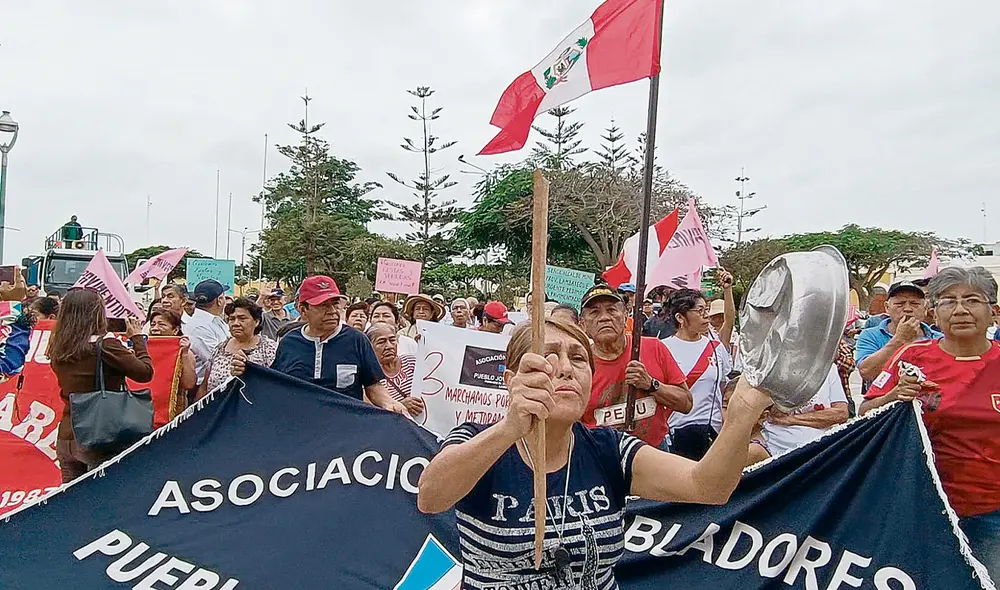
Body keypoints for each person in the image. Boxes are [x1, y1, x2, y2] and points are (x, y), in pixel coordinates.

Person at [417, 317, 774, 588]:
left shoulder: (609, 449)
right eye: (548, 356)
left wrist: (742, 414)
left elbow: (707, 486)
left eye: (578, 358)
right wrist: (511, 428)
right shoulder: (477, 440)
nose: (566, 367)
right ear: (512, 379)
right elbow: (431, 497)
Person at [861, 267, 1000, 576]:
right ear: (934, 313)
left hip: (992, 514)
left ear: (993, 311)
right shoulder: (911, 356)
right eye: (948, 301)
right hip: (919, 505)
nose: (960, 309)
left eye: (972, 300)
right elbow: (866, 411)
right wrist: (894, 395)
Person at [246, 276, 407, 415]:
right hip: (299, 432)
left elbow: (374, 387)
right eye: (322, 305)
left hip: (346, 435)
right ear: (303, 310)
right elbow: (276, 388)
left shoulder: (357, 340)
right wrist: (245, 373)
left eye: (335, 304)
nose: (332, 311)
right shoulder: (289, 343)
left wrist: (389, 403)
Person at [48, 290, 153, 482]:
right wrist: (138, 338)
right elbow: (145, 372)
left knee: (71, 499)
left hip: (67, 435)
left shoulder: (58, 347)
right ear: (96, 313)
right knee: (103, 497)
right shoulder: (106, 346)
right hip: (100, 434)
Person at [579, 285, 692, 446]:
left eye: (611, 310)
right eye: (594, 312)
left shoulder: (654, 348)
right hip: (600, 460)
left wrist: (651, 384)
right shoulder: (579, 364)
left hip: (654, 454)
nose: (604, 318)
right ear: (582, 324)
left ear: (625, 316)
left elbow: (686, 403)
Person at [660, 289, 733, 459]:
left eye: (706, 310)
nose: (706, 316)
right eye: (700, 311)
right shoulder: (663, 348)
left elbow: (724, 387)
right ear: (680, 318)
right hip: (676, 432)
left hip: (713, 432)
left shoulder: (716, 348)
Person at [855, 280, 941, 385]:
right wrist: (899, 339)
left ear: (925, 308)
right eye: (900, 304)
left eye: (915, 304)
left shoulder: (939, 339)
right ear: (887, 307)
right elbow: (867, 372)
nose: (908, 309)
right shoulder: (870, 335)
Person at [763, 365, 849, 456]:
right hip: (774, 447)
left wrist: (789, 420)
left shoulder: (828, 367)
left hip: (821, 449)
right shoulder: (770, 365)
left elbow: (841, 413)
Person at [200, 298, 277, 396]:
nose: (236, 323)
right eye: (232, 319)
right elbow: (205, 386)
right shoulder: (219, 349)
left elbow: (275, 384)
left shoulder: (268, 349)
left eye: (242, 318)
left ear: (256, 322)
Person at [366, 323, 423, 417]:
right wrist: (400, 405)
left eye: (392, 340)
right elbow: (373, 414)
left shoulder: (412, 362)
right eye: (381, 342)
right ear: (370, 346)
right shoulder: (370, 379)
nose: (389, 346)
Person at [183, 280, 231, 387]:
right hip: (205, 388)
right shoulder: (199, 326)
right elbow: (216, 359)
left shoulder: (215, 321)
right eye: (224, 297)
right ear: (219, 300)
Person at [721, 375, 770, 467]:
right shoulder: (736, 444)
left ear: (762, 417)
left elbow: (707, 479)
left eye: (739, 408)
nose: (729, 415)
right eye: (725, 407)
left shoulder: (753, 451)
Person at [147, 310, 197, 392]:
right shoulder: (142, 350)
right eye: (152, 325)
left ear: (175, 330)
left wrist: (184, 354)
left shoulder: (185, 352)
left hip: (172, 402)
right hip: (142, 401)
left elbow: (189, 384)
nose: (155, 328)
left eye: (161, 324)